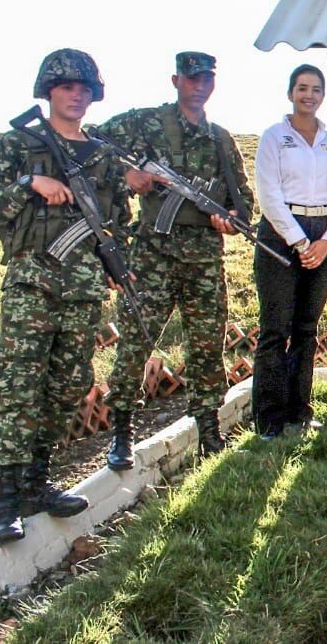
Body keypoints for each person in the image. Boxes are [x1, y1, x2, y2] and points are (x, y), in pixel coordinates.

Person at [0, 50, 130, 545]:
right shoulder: (17, 145)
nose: (77, 95)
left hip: (82, 291)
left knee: (69, 384)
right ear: (48, 91)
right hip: (33, 284)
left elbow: (117, 219)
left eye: (85, 87)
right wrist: (30, 183)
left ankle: (37, 483)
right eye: (67, 86)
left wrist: (116, 261)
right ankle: (4, 499)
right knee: (17, 389)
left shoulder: (102, 155)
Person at [99, 52, 253, 469]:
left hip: (203, 261)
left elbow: (243, 203)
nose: (199, 85)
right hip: (152, 256)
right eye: (191, 78)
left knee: (207, 346)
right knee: (136, 343)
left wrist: (231, 220)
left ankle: (208, 430)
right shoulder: (145, 123)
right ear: (176, 80)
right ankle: (122, 431)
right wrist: (127, 175)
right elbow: (93, 145)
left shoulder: (221, 140)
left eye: (206, 78)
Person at [251, 64, 327, 440]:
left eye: (316, 89)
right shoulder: (274, 138)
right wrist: (298, 241)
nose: (309, 95)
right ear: (290, 92)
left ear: (323, 95)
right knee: (276, 330)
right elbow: (269, 195)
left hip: (322, 233)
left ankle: (299, 411)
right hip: (281, 233)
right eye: (302, 88)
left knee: (306, 330)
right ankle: (269, 419)